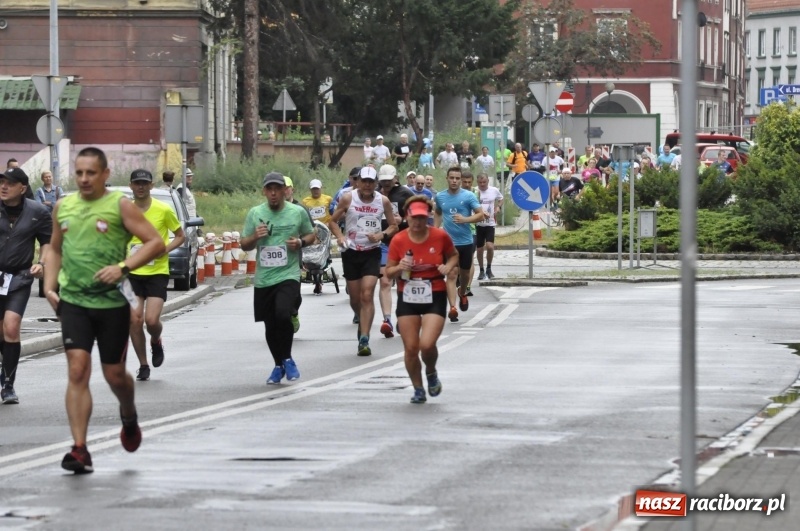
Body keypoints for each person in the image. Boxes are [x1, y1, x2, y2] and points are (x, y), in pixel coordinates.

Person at [43, 147, 166, 474]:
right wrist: (49, 287)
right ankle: (79, 449)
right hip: (74, 302)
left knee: (114, 375)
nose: (84, 179)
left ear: (105, 174)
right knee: (78, 369)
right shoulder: (63, 206)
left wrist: (123, 267)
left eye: (90, 173)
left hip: (112, 304)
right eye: (79, 172)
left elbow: (155, 242)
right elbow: (54, 249)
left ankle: (128, 414)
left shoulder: (119, 206)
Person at [240, 172, 315, 385]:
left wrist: (300, 243)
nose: (273, 193)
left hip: (288, 274)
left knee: (283, 314)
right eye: (269, 189)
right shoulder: (255, 213)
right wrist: (255, 236)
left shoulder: (297, 212)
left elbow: (311, 235)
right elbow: (244, 244)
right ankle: (278, 364)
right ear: (264, 191)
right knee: (270, 324)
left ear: (284, 191)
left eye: (277, 189)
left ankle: (288, 358)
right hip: (264, 278)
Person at [385, 196, 458, 404]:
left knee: (426, 345)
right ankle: (418, 388)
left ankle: (431, 371)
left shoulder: (440, 237)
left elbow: (454, 255)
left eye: (421, 217)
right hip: (407, 295)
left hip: (434, 291)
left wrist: (448, 266)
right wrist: (400, 267)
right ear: (407, 216)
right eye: (414, 217)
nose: (417, 222)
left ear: (427, 216)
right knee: (410, 348)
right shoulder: (399, 240)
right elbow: (388, 273)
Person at [328, 166, 398, 356]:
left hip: (371, 252)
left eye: (371, 182)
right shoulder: (348, 198)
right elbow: (332, 221)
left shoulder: (383, 201)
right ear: (357, 181)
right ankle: (360, 316)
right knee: (355, 297)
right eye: (364, 181)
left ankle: (364, 338)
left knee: (367, 294)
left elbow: (393, 225)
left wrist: (381, 235)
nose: (367, 185)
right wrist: (340, 237)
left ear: (376, 183)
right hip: (351, 251)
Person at [126, 169, 185, 381]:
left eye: (145, 183)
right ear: (131, 186)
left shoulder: (163, 209)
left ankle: (156, 340)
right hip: (131, 274)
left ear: (151, 185)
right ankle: (143, 365)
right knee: (134, 320)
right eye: (137, 183)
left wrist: (165, 249)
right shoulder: (124, 211)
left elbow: (180, 236)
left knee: (151, 320)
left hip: (156, 272)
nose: (141, 186)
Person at [0, 168, 52, 404]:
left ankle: (9, 384)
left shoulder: (38, 211)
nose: (3, 187)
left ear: (22, 188)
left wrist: (42, 263)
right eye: (1, 182)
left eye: (9, 183)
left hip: (19, 278)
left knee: (11, 327)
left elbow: (47, 242)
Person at [434, 166, 483, 323]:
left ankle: (463, 293)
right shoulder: (440, 197)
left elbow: (480, 215)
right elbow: (438, 212)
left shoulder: (469, 196)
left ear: (461, 180)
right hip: (449, 244)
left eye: (457, 178)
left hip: (466, 242)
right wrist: (435, 230)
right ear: (447, 178)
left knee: (464, 274)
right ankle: (453, 308)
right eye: (451, 178)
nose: (454, 181)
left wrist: (465, 219)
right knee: (451, 274)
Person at [376, 165, 414, 338]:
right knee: (384, 281)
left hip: (403, 244)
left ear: (395, 178)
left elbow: (421, 213)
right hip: (383, 243)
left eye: (388, 180)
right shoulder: (374, 193)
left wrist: (404, 219)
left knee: (403, 282)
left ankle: (403, 315)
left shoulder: (405, 193)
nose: (386, 183)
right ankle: (387, 320)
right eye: (383, 180)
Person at [475, 173, 503, 281]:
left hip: (490, 223)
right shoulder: (475, 191)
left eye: (484, 182)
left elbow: (501, 198)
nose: (482, 184)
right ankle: (481, 270)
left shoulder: (494, 190)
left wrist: (498, 207)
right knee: (480, 249)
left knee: (490, 247)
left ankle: (489, 268)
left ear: (488, 181)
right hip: (478, 223)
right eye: (480, 182)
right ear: (477, 182)